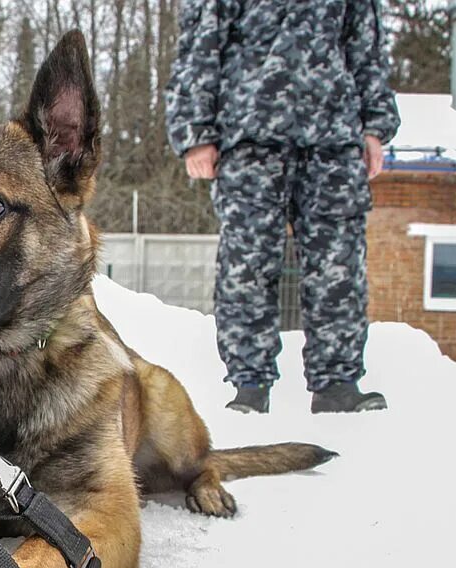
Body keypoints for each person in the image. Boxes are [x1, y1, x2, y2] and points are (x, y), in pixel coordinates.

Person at [164, 0, 399, 413]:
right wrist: (195, 130)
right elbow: (200, 43)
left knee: (338, 265)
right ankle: (250, 385)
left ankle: (338, 384)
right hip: (249, 134)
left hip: (334, 135)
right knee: (247, 265)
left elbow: (366, 44)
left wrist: (375, 125)